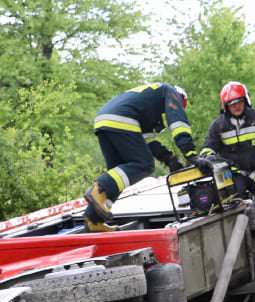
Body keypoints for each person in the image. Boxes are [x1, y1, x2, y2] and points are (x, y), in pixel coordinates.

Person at [84, 83, 197, 232]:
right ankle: (99, 188)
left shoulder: (147, 105)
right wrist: (191, 154)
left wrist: (170, 159)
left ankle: (94, 220)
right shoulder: (170, 91)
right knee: (144, 165)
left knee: (118, 174)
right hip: (121, 118)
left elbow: (148, 141)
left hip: (104, 120)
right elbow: (178, 123)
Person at [198, 81, 255, 205]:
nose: (236, 106)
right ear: (225, 106)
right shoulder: (218, 125)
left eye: (239, 102)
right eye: (231, 104)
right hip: (232, 174)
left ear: (246, 100)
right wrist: (207, 157)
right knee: (232, 202)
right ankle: (242, 197)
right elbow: (208, 147)